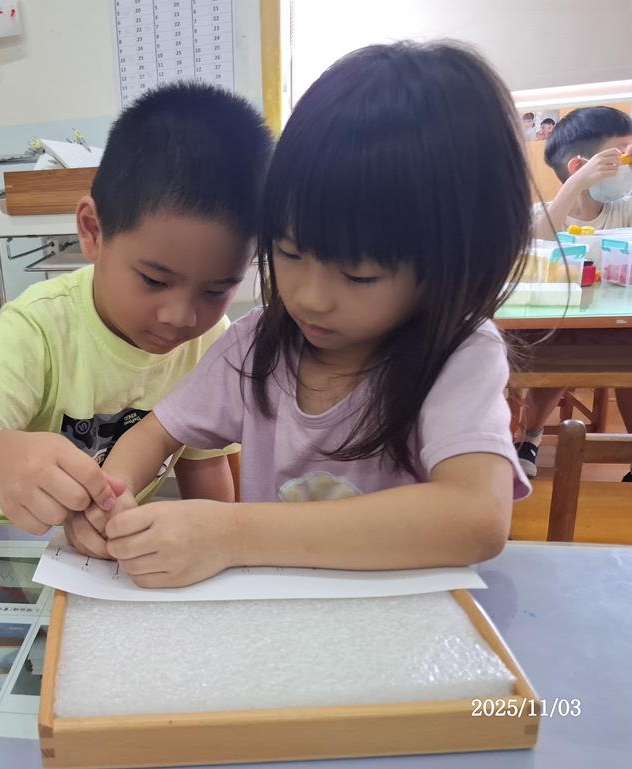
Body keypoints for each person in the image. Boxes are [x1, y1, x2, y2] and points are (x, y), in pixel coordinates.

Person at [78, 42, 533, 587]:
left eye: (359, 275)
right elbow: (156, 433)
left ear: (454, 263)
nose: (310, 298)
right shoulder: (258, 344)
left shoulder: (458, 356)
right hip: (273, 617)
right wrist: (112, 498)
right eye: (289, 253)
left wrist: (231, 534)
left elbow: (476, 520)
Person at [0, 83, 273, 537]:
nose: (181, 316)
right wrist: (2, 457)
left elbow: (204, 465)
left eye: (217, 289)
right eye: (154, 280)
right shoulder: (41, 324)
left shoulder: (211, 341)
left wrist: (216, 542)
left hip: (82, 550)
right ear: (92, 231)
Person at [521, 106, 632, 480]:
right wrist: (574, 185)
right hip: (554, 325)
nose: (628, 164)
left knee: (627, 360)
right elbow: (536, 245)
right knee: (557, 357)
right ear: (580, 166)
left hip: (616, 324)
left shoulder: (623, 209)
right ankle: (530, 437)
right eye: (621, 156)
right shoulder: (542, 213)